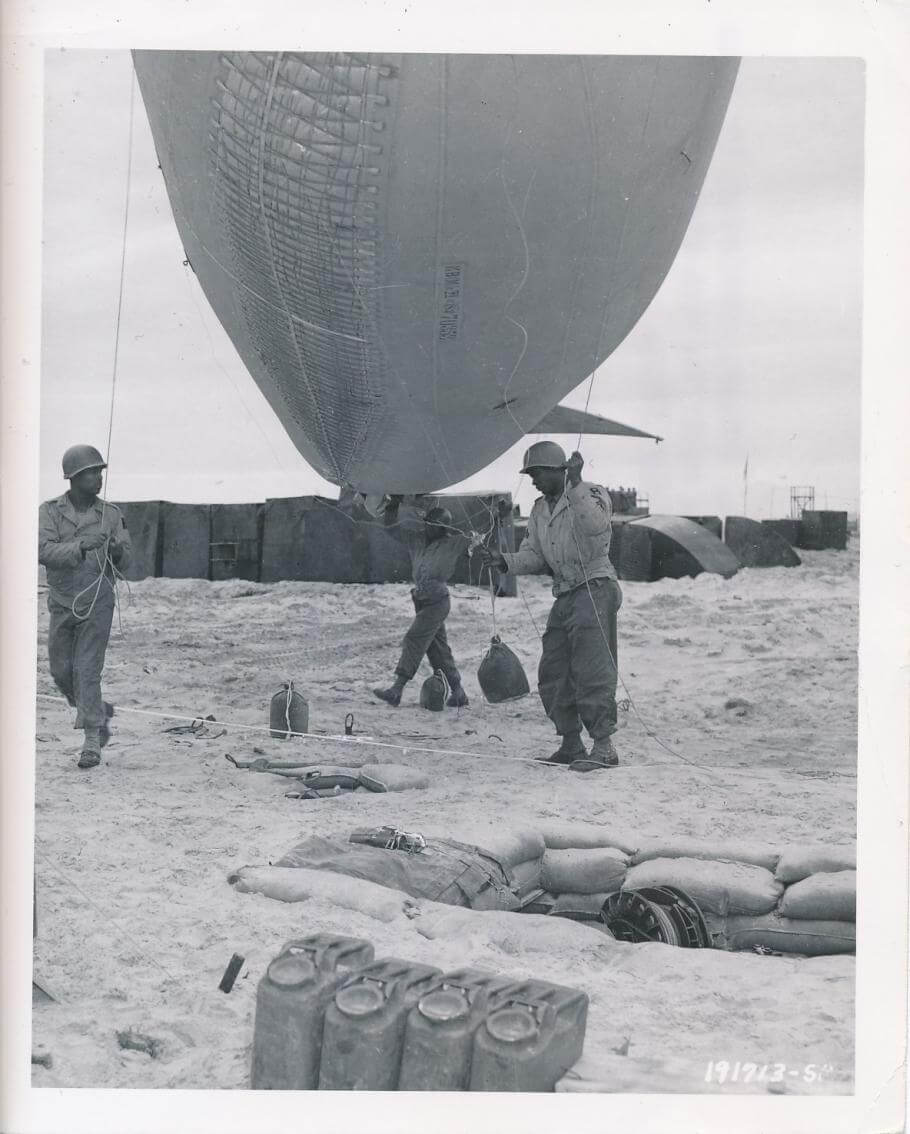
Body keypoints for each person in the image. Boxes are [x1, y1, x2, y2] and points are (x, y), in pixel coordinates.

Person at [478, 441, 622, 773]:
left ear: (558, 471)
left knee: (593, 669)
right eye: (530, 476)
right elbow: (536, 556)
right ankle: (571, 743)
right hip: (566, 594)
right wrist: (505, 561)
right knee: (553, 670)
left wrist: (575, 484)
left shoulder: (591, 493)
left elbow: (596, 528)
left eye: (537, 474)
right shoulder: (541, 509)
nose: (534, 481)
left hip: (595, 587)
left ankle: (604, 747)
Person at [38, 445, 132, 769]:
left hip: (98, 600)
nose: (99, 478)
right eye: (92, 472)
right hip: (63, 601)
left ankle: (92, 738)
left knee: (86, 668)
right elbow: (43, 551)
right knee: (60, 670)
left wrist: (118, 551)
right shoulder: (49, 512)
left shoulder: (112, 514)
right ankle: (96, 710)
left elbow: (127, 562)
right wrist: (80, 546)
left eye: (100, 472)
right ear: (74, 478)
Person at [372, 496, 471, 708]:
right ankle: (459, 692)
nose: (431, 528)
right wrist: (392, 505)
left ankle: (397, 689)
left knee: (414, 638)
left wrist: (500, 512)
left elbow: (483, 533)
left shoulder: (452, 543)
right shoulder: (416, 539)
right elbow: (391, 529)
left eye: (437, 525)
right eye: (429, 523)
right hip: (421, 600)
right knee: (438, 650)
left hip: (438, 601)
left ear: (445, 528)